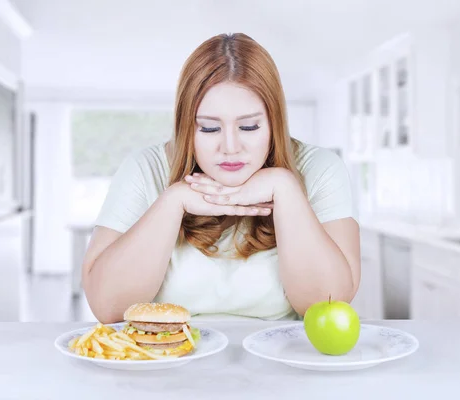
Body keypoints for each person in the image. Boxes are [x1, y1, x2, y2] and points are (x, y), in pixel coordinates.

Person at [82, 33, 361, 323]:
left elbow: (329, 305)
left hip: (279, 362)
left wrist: (286, 189)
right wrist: (172, 202)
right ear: (186, 127)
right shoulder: (144, 169)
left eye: (250, 127)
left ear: (273, 122)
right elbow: (108, 308)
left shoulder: (320, 169)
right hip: (168, 362)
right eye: (209, 129)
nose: (230, 147)